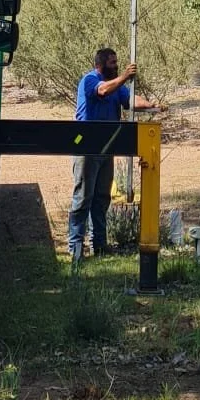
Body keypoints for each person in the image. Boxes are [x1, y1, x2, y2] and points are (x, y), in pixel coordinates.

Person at [68, 46, 154, 261]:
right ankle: (75, 247)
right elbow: (103, 90)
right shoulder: (90, 80)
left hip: (107, 149)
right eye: (112, 63)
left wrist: (152, 105)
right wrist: (125, 76)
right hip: (87, 148)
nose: (116, 66)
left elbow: (130, 101)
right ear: (100, 65)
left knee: (102, 198)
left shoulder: (118, 86)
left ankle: (99, 245)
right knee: (82, 198)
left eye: (117, 63)